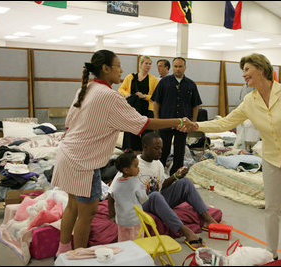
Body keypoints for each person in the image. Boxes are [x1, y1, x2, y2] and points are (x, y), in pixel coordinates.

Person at [182, 53, 281, 265]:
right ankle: (271, 253)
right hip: (271, 158)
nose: (244, 74)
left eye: (247, 69)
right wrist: (197, 126)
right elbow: (225, 123)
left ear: (260, 68)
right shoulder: (250, 100)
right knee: (271, 208)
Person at [51, 49, 195, 256]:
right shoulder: (110, 96)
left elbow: (69, 122)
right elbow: (144, 123)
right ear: (106, 68)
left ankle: (62, 251)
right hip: (83, 160)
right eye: (118, 65)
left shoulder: (87, 88)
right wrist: (179, 121)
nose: (122, 70)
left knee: (73, 206)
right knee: (87, 211)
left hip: (68, 152)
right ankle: (78, 256)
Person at [110, 132, 218, 250]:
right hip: (141, 204)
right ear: (145, 147)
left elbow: (162, 185)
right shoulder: (133, 165)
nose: (160, 151)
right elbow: (112, 191)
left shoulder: (158, 164)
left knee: (185, 183)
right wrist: (112, 215)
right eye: (156, 148)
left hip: (158, 199)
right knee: (155, 195)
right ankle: (185, 232)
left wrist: (175, 177)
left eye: (161, 148)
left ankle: (208, 219)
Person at [152, 57, 202, 175]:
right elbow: (156, 102)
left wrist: (193, 123)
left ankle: (175, 176)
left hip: (183, 124)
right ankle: (158, 174)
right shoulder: (164, 82)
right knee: (163, 151)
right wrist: (156, 120)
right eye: (175, 66)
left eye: (180, 66)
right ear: (172, 67)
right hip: (165, 122)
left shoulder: (191, 84)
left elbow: (195, 106)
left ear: (185, 67)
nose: (178, 69)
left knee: (179, 152)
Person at [118, 55, 159, 152]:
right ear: (141, 64)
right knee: (131, 130)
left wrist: (144, 96)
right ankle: (130, 150)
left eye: (150, 64)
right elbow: (121, 89)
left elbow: (155, 96)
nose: (148, 66)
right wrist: (127, 94)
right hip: (132, 108)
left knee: (147, 132)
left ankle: (146, 152)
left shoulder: (154, 80)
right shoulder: (130, 77)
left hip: (147, 108)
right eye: (146, 63)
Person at [108, 151, 148, 241]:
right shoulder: (136, 182)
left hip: (122, 220)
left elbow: (113, 195)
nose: (139, 169)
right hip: (134, 219)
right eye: (136, 166)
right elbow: (143, 199)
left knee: (123, 240)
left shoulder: (117, 182)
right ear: (126, 170)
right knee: (138, 240)